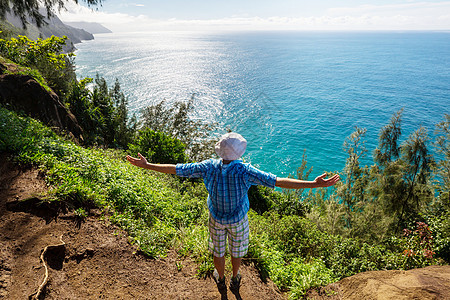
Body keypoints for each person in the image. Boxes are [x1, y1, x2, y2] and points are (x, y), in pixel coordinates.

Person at [126, 132, 340, 298]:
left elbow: (177, 169)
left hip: (216, 219)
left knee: (218, 251)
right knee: (236, 251)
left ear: (219, 151)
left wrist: (148, 165)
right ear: (239, 153)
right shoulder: (245, 171)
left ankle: (220, 278)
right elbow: (278, 181)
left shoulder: (208, 167)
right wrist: (313, 184)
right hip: (238, 219)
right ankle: (235, 278)